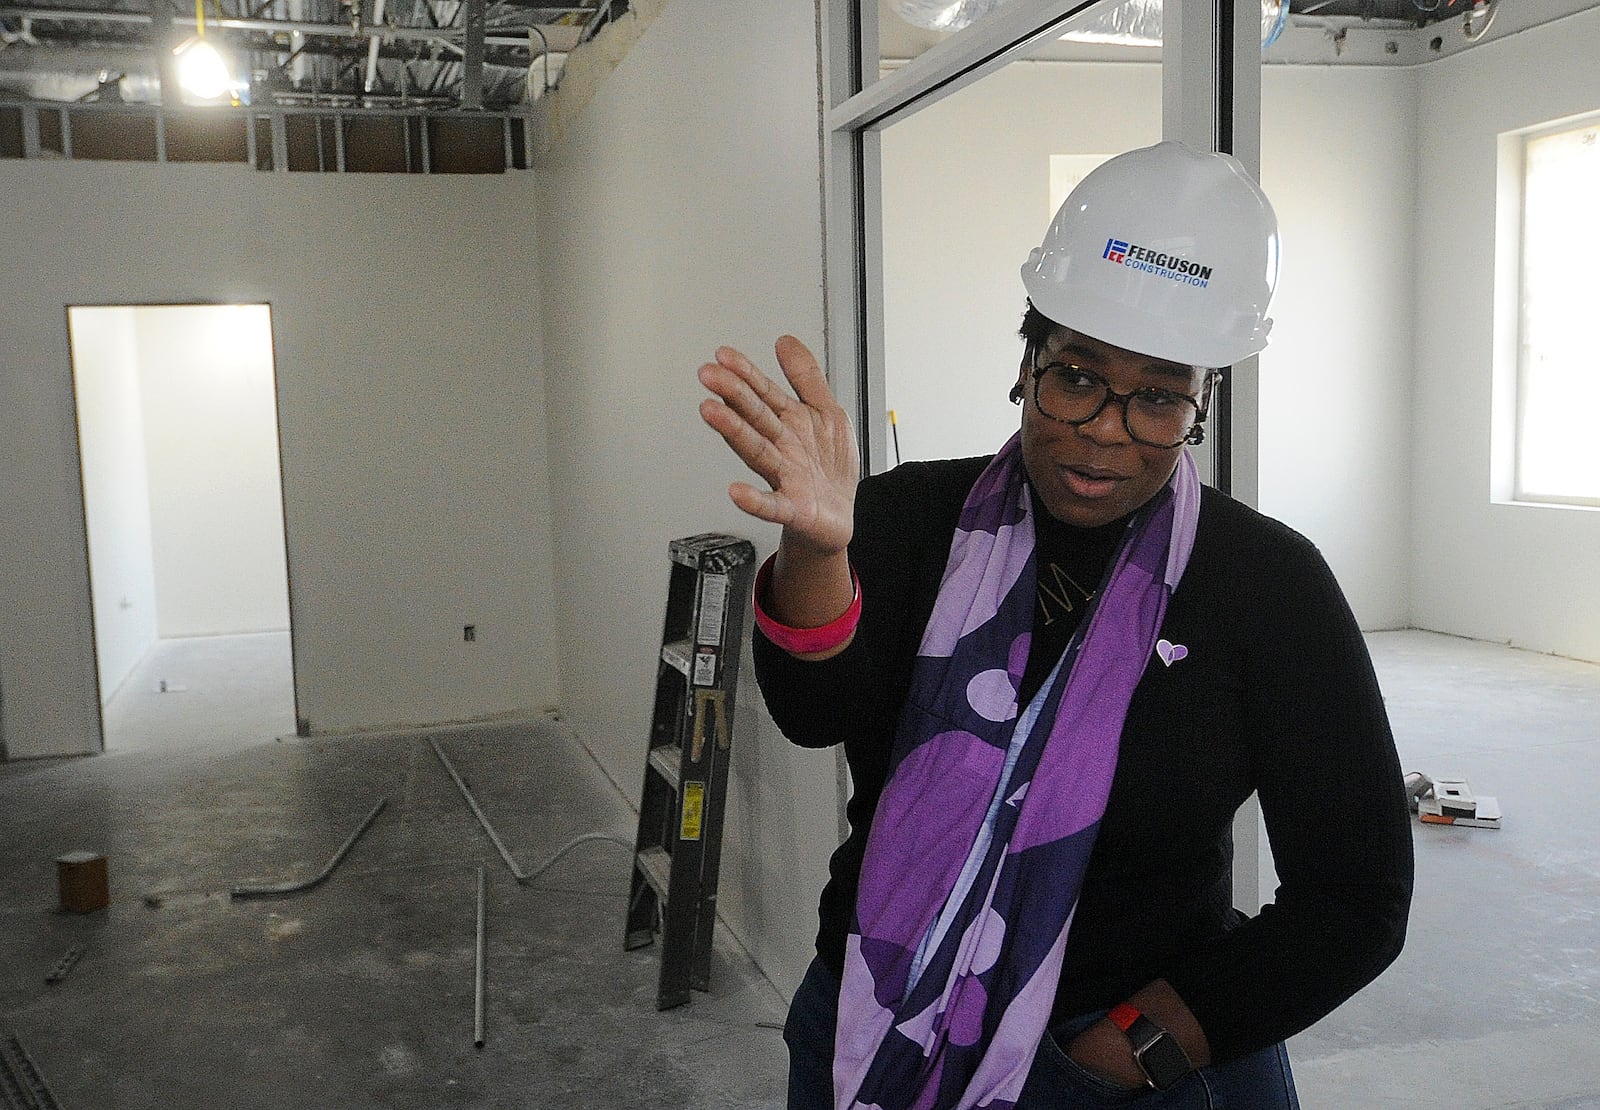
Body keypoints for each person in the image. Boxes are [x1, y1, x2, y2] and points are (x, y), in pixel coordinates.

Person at [696, 141, 1413, 1110]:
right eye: (1075, 375)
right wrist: (820, 550)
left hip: (1134, 1049)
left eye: (1157, 397)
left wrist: (1124, 1053)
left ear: (1196, 410)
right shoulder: (912, 520)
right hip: (873, 1018)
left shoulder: (1265, 585)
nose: (1106, 428)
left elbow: (1353, 900)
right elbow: (814, 711)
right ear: (1026, 363)